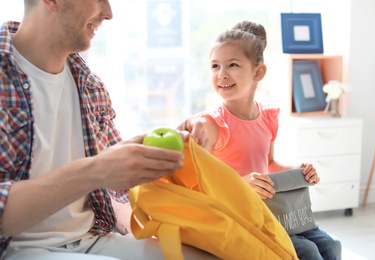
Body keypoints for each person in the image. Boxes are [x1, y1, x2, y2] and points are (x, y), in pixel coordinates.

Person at [0, 1, 218, 259]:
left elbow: (118, 177)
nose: (108, 13)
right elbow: (102, 169)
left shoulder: (89, 84)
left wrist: (175, 142)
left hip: (92, 239)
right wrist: (96, 170)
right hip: (16, 248)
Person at [199, 20, 342, 260]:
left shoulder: (267, 117)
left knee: (331, 246)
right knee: (307, 251)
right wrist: (240, 184)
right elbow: (198, 184)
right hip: (235, 216)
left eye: (232, 64)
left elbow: (269, 164)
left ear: (258, 72)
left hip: (269, 212)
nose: (221, 74)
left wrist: (299, 171)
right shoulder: (212, 124)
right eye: (215, 66)